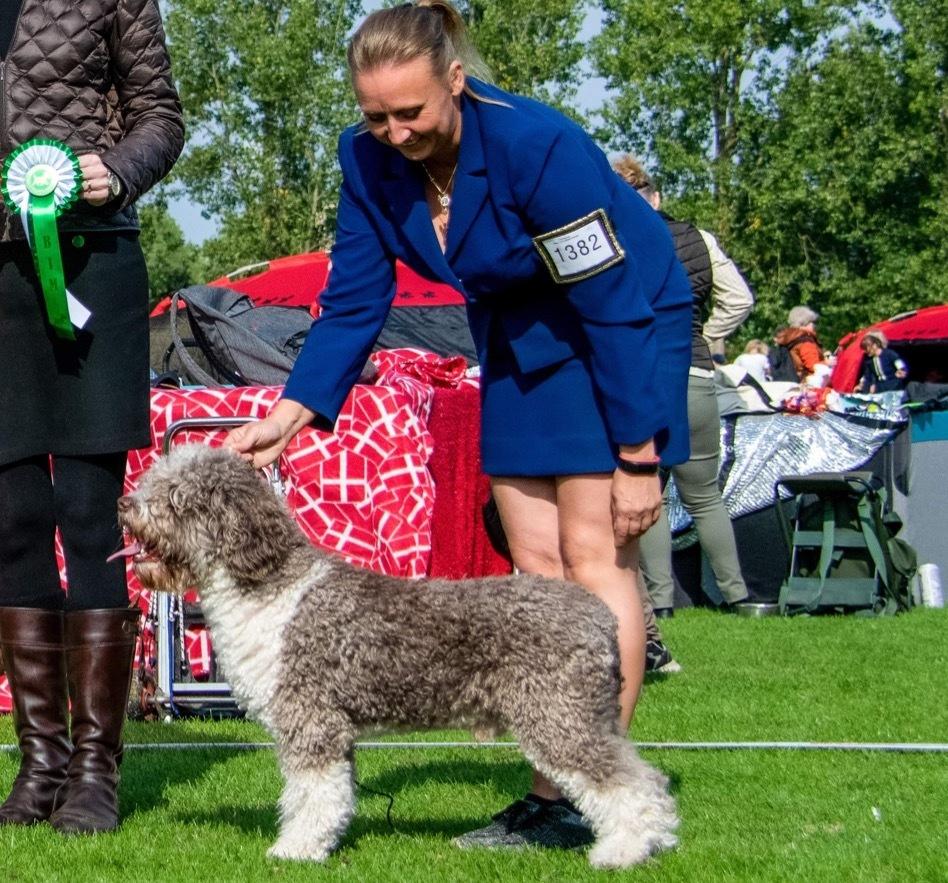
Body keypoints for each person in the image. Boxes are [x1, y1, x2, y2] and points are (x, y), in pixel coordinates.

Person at [226, 0, 692, 850]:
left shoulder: (536, 144)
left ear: (456, 80)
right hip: (516, 342)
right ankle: (559, 787)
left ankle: (581, 788)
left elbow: (611, 299)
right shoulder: (363, 160)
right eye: (376, 117)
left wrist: (637, 452)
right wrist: (291, 414)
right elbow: (356, 299)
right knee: (535, 566)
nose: (395, 133)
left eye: (412, 113)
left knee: (596, 556)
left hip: (617, 331)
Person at [0, 0, 183, 834]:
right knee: (11, 519)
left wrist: (117, 168)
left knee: (84, 509)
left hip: (90, 259)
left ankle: (95, 769)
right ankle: (38, 762)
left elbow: (160, 116)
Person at [612, 156, 751, 620]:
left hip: (642, 374)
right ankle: (737, 595)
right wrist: (708, 337)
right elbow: (740, 299)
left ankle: (662, 601)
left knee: (645, 483)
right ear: (656, 195)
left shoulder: (613, 237)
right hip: (694, 373)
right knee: (705, 494)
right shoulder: (698, 238)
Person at [771, 306, 823, 382]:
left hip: (794, 380)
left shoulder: (790, 339)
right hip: (809, 382)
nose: (815, 326)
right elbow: (814, 367)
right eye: (813, 322)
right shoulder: (805, 342)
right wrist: (828, 363)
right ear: (804, 323)